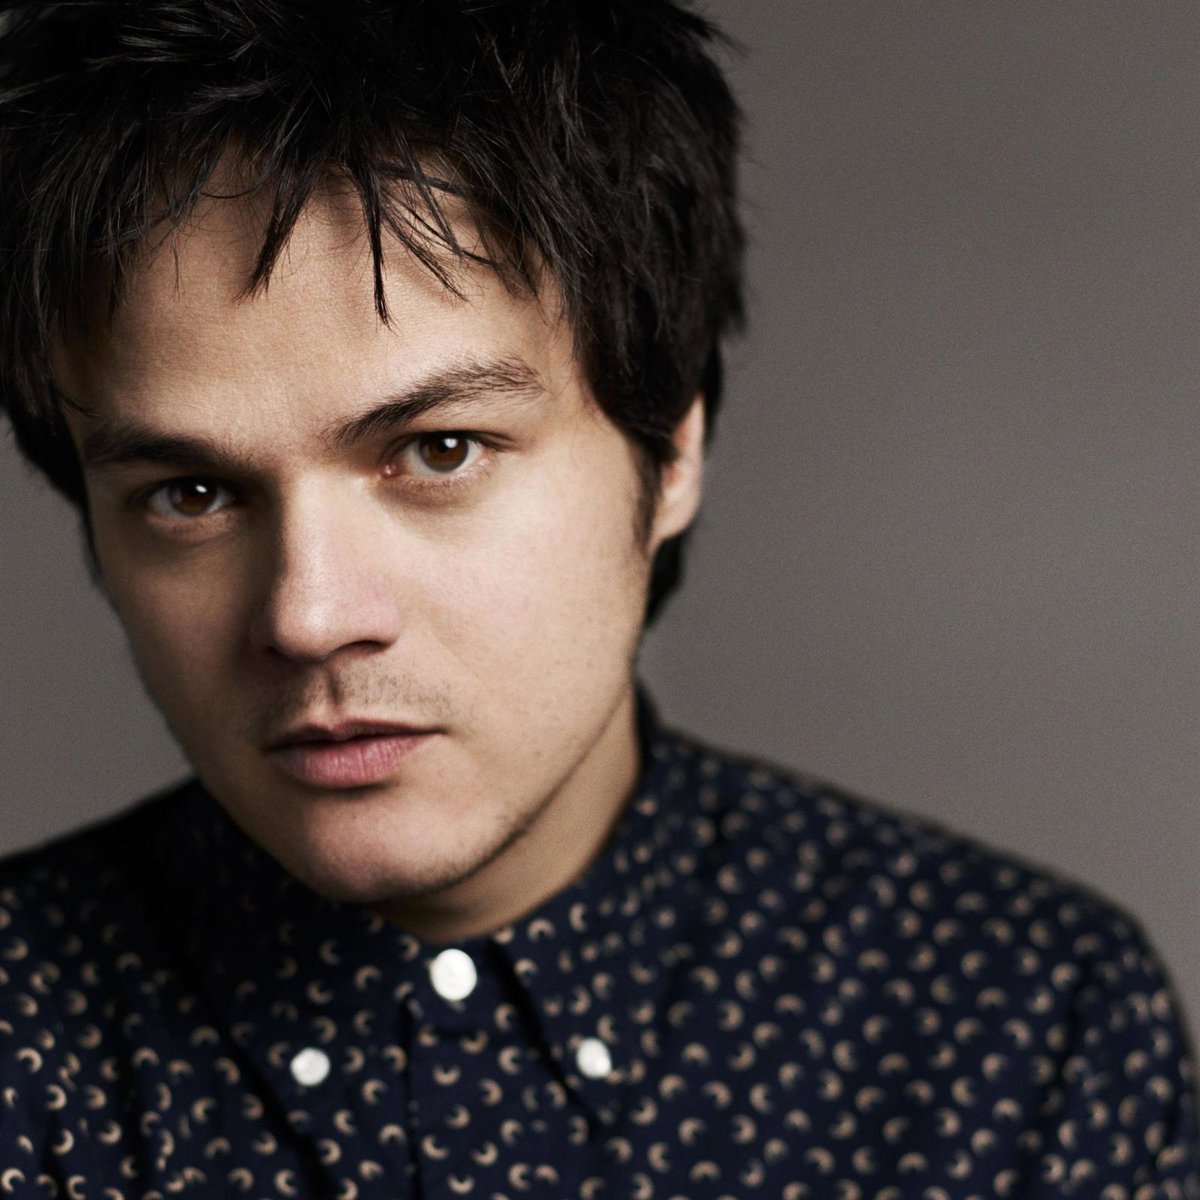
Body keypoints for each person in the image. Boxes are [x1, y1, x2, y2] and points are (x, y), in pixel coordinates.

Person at [0, 0, 1195, 1195]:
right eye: (193, 493)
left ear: (670, 452)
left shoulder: (1023, 1029)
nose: (308, 617)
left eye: (440, 451)